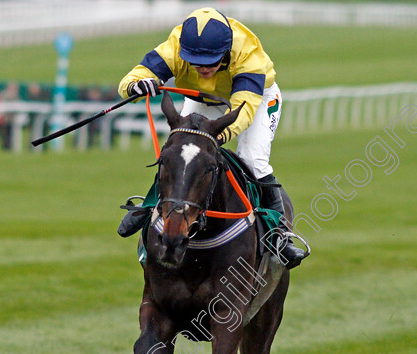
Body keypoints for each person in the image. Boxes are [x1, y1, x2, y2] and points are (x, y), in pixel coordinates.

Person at [115, 7, 307, 268]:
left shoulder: (247, 54)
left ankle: (280, 233)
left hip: (254, 100)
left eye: (210, 62)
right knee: (179, 151)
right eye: (194, 61)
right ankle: (150, 206)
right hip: (203, 99)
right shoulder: (176, 44)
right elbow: (133, 77)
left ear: (226, 52)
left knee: (252, 159)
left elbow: (243, 111)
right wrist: (137, 85)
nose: (202, 68)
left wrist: (213, 137)